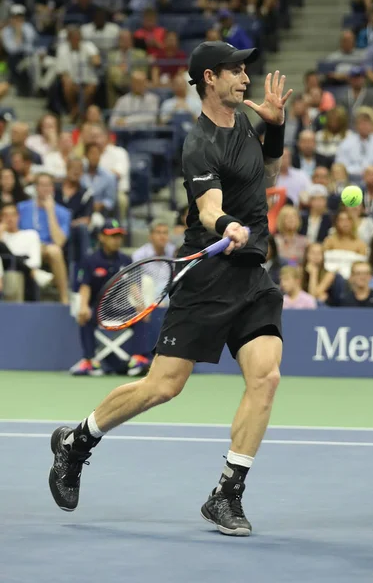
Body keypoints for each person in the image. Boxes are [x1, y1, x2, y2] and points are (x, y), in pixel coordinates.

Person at [48, 41, 292, 537]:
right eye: (235, 71)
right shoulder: (198, 143)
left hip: (252, 276)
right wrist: (225, 223)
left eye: (246, 69)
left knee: (266, 377)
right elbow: (207, 208)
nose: (245, 77)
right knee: (163, 386)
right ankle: (77, 442)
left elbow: (266, 167)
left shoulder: (245, 122)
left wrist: (277, 123)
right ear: (209, 78)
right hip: (207, 279)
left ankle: (227, 492)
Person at [71, 219, 131, 376]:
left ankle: (139, 358)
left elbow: (134, 286)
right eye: (112, 236)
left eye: (119, 236)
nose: (116, 240)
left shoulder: (126, 260)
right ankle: (90, 360)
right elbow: (85, 287)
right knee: (84, 315)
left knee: (142, 315)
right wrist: (83, 306)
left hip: (121, 310)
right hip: (97, 312)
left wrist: (142, 305)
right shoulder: (90, 260)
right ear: (101, 237)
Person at [18, 173, 70, 304]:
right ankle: (40, 276)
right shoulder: (22, 208)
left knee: (55, 251)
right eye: (41, 185)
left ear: (53, 188)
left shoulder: (63, 212)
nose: (45, 188)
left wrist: (50, 212)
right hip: (25, 248)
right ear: (36, 188)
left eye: (48, 185)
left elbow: (59, 242)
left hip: (47, 249)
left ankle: (64, 298)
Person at [0, 202, 53, 300]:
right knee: (2, 247)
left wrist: (17, 261)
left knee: (11, 259)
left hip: (25, 278)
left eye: (13, 215)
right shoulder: (2, 236)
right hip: (6, 274)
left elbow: (35, 262)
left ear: (18, 216)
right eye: (6, 215)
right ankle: (33, 272)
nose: (9, 219)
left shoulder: (30, 235)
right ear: (1, 218)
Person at [81, 143, 117, 217]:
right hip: (81, 210)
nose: (95, 157)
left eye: (97, 154)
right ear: (86, 155)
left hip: (101, 212)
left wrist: (102, 204)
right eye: (92, 154)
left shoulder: (109, 177)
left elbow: (110, 200)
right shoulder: (80, 174)